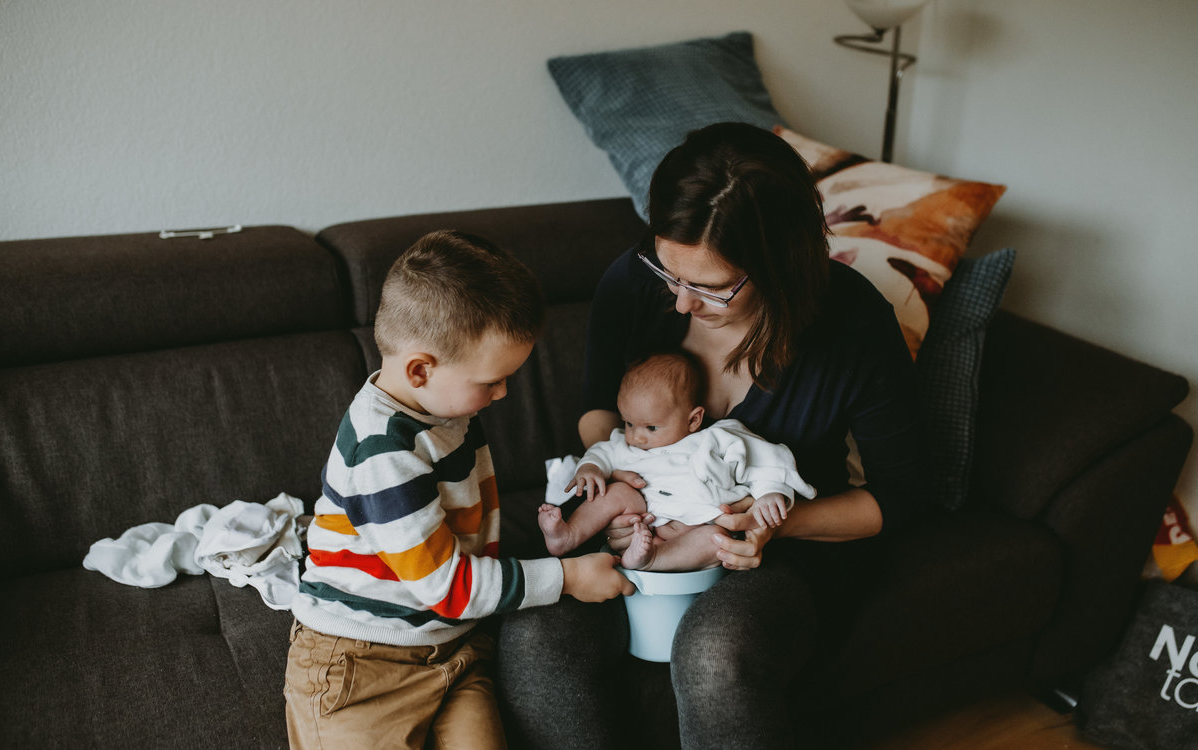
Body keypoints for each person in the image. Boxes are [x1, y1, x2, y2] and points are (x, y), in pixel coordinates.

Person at [498, 123, 923, 749]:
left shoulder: (852, 324)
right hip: (642, 523)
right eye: (669, 273)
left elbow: (901, 497)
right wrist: (616, 485)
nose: (679, 304)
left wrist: (775, 525)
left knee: (715, 652)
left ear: (780, 264)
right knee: (536, 636)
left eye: (712, 288)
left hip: (787, 545)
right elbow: (596, 412)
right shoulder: (633, 284)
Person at [283, 230, 635, 750]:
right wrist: (567, 577)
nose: (504, 392)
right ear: (420, 370)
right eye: (491, 380)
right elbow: (446, 586)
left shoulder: (447, 408)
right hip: (361, 663)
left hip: (453, 647)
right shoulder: (384, 450)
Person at [538, 351, 817, 571]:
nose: (636, 436)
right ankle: (568, 535)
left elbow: (764, 461)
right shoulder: (628, 443)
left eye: (651, 427)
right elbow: (602, 452)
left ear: (693, 419)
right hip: (642, 518)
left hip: (695, 526)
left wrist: (769, 493)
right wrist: (590, 468)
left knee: (717, 540)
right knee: (617, 492)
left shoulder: (716, 439)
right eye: (628, 422)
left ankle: (653, 558)